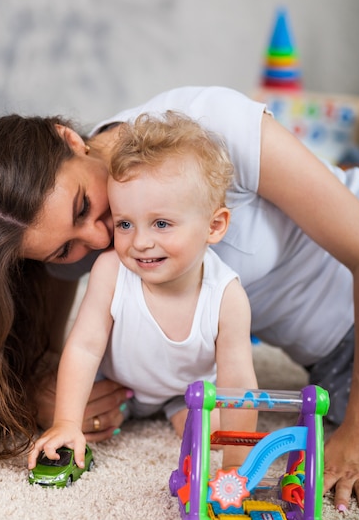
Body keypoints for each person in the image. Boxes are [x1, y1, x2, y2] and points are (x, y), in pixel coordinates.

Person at [0, 86, 359, 513]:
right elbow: (66, 349)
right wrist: (55, 403)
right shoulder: (81, 252)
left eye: (82, 207)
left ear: (70, 141)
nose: (103, 239)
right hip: (329, 358)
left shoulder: (215, 125)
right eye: (62, 251)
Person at [27, 111, 258, 472]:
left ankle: (184, 418)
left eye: (162, 223)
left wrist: (235, 468)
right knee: (73, 403)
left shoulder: (227, 297)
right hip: (116, 383)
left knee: (202, 433)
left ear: (214, 226)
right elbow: (86, 346)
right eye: (125, 224)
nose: (141, 242)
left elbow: (238, 385)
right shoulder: (111, 270)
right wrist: (66, 423)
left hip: (185, 395)